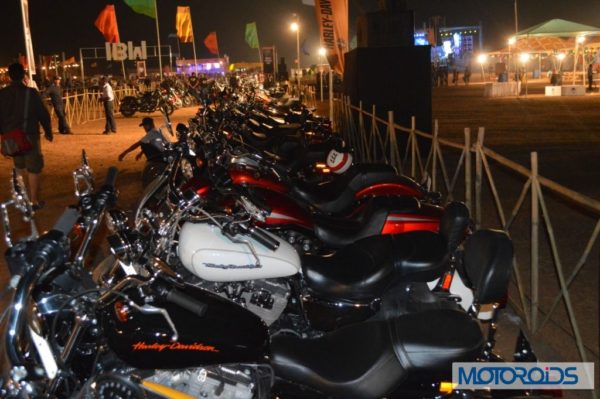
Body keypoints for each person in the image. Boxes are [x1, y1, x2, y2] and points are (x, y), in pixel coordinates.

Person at [0, 63, 53, 209]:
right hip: (29, 135)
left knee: (19, 166)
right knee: (33, 168)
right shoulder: (31, 93)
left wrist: (2, 136)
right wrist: (48, 131)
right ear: (23, 75)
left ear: (9, 76)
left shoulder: (2, 94)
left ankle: (21, 197)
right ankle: (34, 200)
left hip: (11, 136)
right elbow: (43, 114)